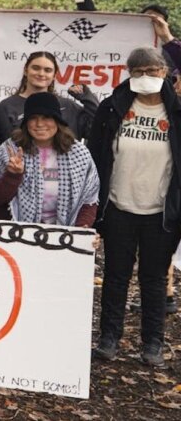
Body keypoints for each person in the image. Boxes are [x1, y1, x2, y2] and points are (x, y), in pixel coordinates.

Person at [88, 47, 181, 366]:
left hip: (161, 212)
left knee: (154, 279)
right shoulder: (111, 108)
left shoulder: (177, 113)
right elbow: (96, 154)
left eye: (152, 71)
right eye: (137, 71)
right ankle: (108, 339)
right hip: (118, 207)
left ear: (165, 73)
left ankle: (152, 343)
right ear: (128, 73)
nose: (145, 77)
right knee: (115, 275)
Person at [0, 91, 99, 227]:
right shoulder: (9, 150)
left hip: (65, 233)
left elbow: (89, 199)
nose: (39, 124)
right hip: (15, 232)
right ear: (26, 122)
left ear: (57, 121)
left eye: (46, 117)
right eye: (33, 118)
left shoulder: (78, 153)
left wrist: (81, 230)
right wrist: (13, 175)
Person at [0, 51, 99, 137]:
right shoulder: (7, 106)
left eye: (48, 70)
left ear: (54, 75)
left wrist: (87, 97)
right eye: (36, 68)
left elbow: (98, 128)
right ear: (25, 70)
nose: (41, 74)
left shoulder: (68, 106)